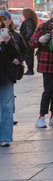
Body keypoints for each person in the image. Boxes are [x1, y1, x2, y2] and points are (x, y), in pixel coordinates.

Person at [30, 5, 53, 127]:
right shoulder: (43, 26)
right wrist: (40, 41)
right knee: (48, 90)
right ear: (51, 15)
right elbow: (31, 42)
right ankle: (41, 116)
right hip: (47, 63)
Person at [0, 15, 21, 146]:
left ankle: (5, 137)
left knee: (7, 107)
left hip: (6, 75)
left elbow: (15, 53)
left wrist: (7, 42)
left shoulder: (6, 34)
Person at [19, 8, 39, 75]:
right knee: (30, 55)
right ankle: (30, 69)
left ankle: (30, 70)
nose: (22, 14)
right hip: (29, 41)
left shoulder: (28, 22)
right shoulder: (32, 21)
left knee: (28, 55)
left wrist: (25, 40)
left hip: (27, 42)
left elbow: (29, 32)